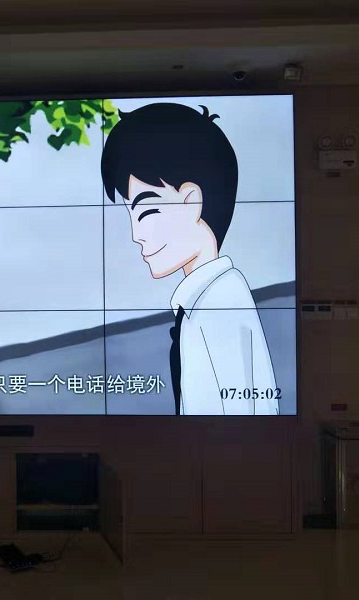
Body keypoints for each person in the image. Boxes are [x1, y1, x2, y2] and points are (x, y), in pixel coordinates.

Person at [101, 102, 278, 415]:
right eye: (131, 214)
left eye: (146, 212)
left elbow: (231, 423)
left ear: (192, 202)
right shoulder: (214, 297)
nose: (136, 234)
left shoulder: (215, 307)